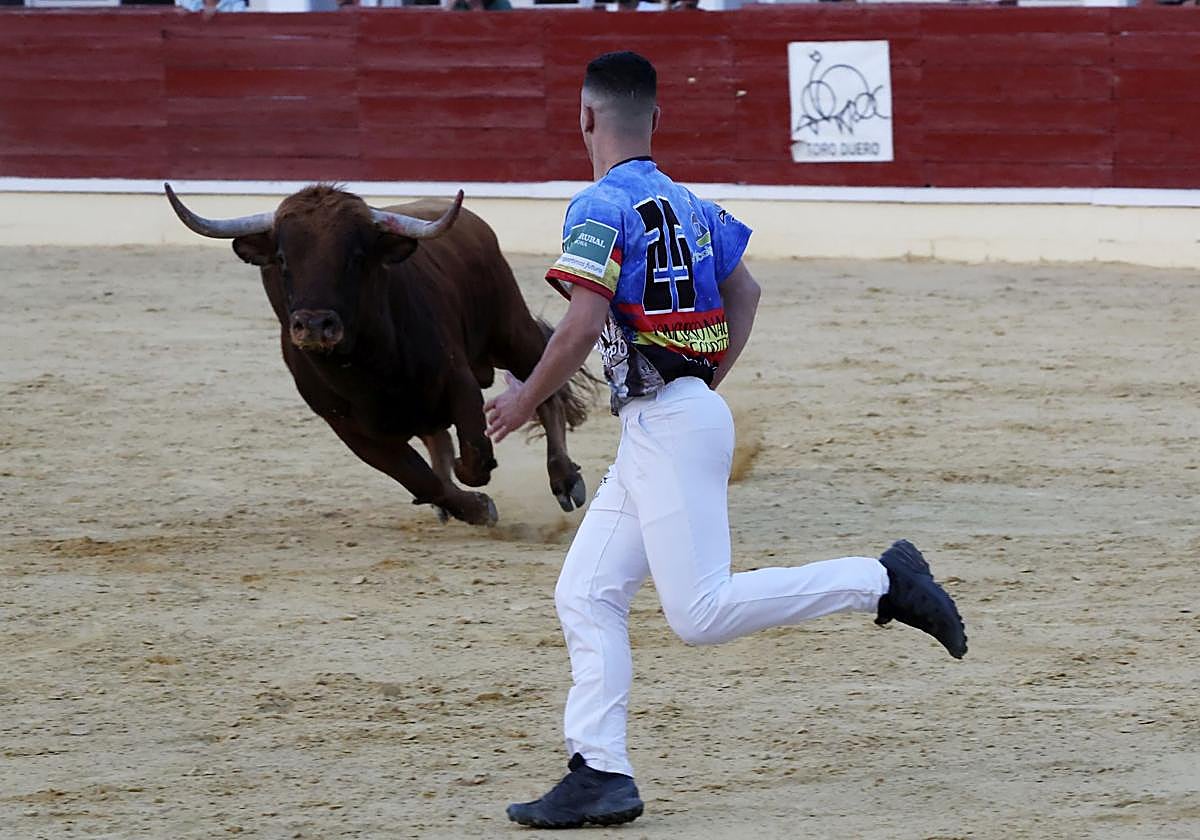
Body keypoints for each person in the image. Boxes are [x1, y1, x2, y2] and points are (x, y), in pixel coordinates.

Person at [483, 50, 967, 830]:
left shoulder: (597, 205)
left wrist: (523, 398)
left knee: (700, 613)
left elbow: (579, 323)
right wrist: (702, 379)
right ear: (656, 120)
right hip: (669, 420)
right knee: (584, 592)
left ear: (583, 118)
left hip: (668, 423)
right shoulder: (688, 202)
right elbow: (746, 288)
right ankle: (600, 770)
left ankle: (880, 581)